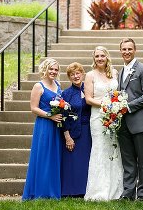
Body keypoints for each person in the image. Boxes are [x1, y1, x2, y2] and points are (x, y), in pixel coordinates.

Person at [84, 46, 124, 201]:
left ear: (107, 57)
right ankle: (99, 190)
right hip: (98, 117)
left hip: (114, 116)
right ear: (94, 58)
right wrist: (105, 104)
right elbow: (88, 99)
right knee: (100, 150)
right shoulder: (89, 75)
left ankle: (117, 189)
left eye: (102, 56)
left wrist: (116, 106)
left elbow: (119, 94)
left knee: (115, 149)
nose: (100, 58)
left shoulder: (114, 73)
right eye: (97, 56)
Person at [117, 38, 143, 201]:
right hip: (123, 123)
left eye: (129, 49)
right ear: (120, 51)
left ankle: (142, 194)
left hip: (140, 122)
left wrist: (127, 106)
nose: (126, 52)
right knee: (128, 160)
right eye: (124, 49)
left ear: (135, 50)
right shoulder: (120, 71)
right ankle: (128, 193)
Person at [22, 58, 63, 200]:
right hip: (44, 125)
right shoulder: (38, 86)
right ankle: (39, 191)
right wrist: (50, 116)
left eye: (56, 69)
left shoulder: (58, 85)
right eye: (51, 69)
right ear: (45, 69)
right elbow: (33, 108)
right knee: (43, 157)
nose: (53, 72)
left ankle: (52, 191)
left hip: (56, 126)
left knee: (53, 157)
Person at [59, 62, 92, 197]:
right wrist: (67, 136)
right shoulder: (66, 94)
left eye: (78, 73)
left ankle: (87, 189)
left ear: (83, 74)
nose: (75, 76)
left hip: (89, 131)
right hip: (73, 132)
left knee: (87, 161)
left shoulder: (90, 89)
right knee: (73, 163)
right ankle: (71, 190)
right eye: (72, 74)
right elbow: (63, 117)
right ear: (69, 77)